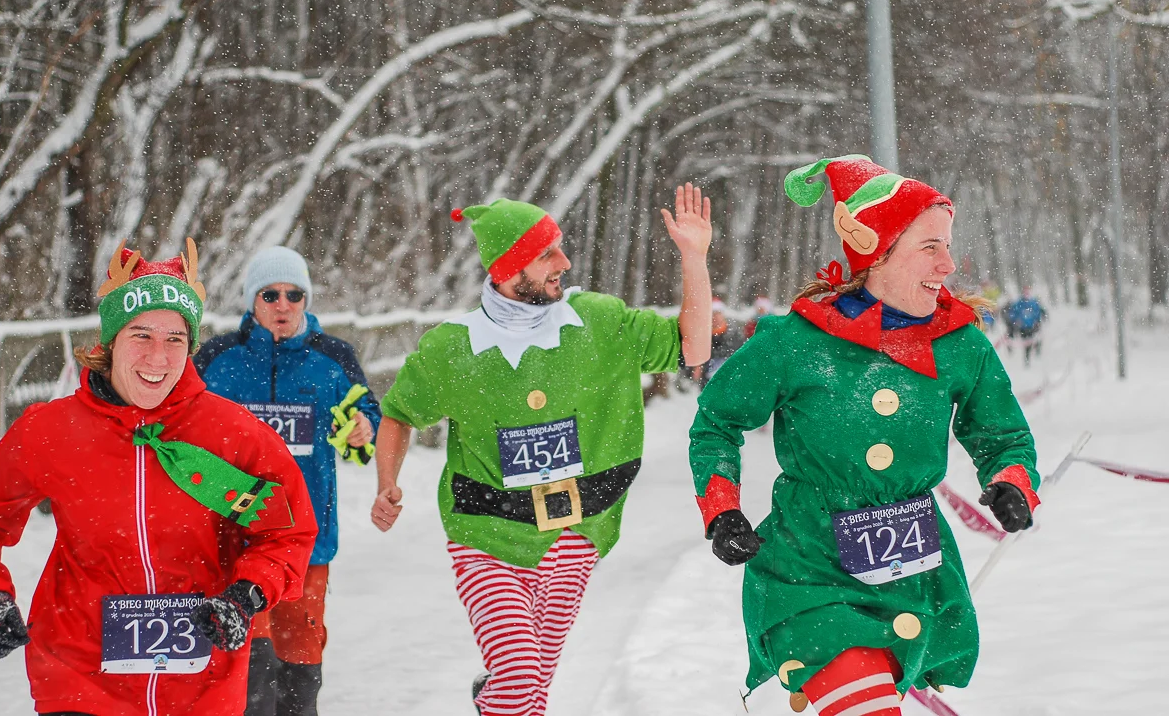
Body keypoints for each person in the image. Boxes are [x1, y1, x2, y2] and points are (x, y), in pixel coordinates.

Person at [689, 155, 1040, 714]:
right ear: (877, 249)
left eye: (948, 244)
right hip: (811, 570)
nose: (948, 263)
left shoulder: (960, 342)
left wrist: (1012, 481)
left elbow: (1001, 434)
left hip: (915, 575)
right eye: (930, 246)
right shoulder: (793, 340)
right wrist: (722, 509)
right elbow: (716, 422)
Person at [370, 185, 714, 716]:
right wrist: (386, 482)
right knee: (518, 672)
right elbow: (399, 413)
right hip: (486, 533)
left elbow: (694, 345)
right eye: (546, 254)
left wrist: (694, 255)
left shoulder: (598, 322)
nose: (565, 261)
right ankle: (500, 693)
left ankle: (494, 699)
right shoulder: (453, 349)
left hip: (577, 532)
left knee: (532, 684)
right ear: (509, 268)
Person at [0, 240, 316, 716]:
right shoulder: (51, 431)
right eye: (141, 335)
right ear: (111, 340)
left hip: (201, 679)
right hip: (78, 675)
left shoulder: (236, 435)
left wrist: (247, 594)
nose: (158, 358)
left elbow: (288, 531)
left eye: (175, 339)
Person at [195, 246, 382, 716]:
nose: (282, 305)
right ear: (251, 300)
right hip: (234, 532)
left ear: (307, 298)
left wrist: (362, 428)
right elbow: (181, 420)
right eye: (270, 294)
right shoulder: (219, 357)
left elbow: (364, 416)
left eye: (294, 294)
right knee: (249, 656)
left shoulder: (334, 357)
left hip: (307, 534)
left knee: (300, 653)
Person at [1004, 287, 1047, 366]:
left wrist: (1037, 321)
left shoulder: (1033, 303)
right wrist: (1015, 321)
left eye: (1027, 292)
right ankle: (1027, 358)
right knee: (1026, 343)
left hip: (1032, 327)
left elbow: (1037, 312)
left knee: (1034, 340)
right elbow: (1012, 313)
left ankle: (1033, 353)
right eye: (1025, 292)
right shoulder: (1018, 303)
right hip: (1022, 328)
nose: (1026, 294)